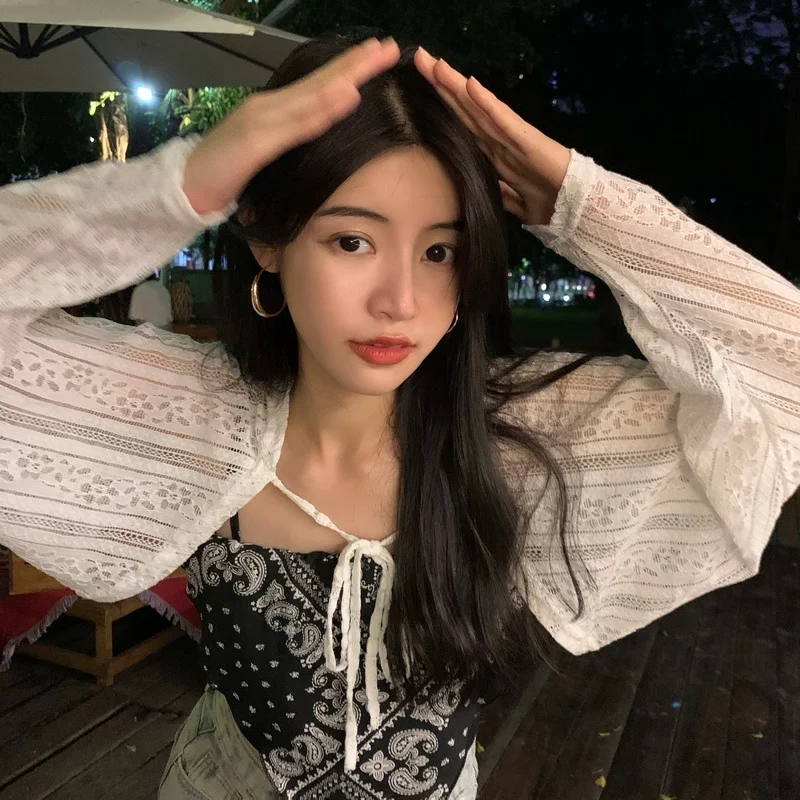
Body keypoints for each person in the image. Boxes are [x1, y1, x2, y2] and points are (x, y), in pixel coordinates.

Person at [0, 32, 798, 800]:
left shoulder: (524, 431)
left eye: (439, 251)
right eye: (353, 241)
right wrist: (183, 186)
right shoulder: (191, 418)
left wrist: (585, 207)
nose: (401, 301)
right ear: (269, 240)